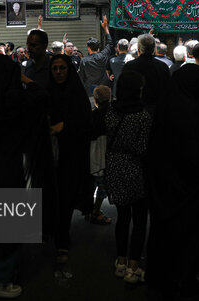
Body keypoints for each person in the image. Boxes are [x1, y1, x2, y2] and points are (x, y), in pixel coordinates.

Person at [146, 42, 199, 299]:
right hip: (193, 197)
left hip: (166, 198)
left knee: (166, 236)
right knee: (193, 235)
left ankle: (163, 278)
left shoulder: (165, 118)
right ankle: (191, 277)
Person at [0, 54, 47, 299]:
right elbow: (41, 96)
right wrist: (25, 78)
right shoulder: (14, 99)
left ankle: (3, 271)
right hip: (9, 168)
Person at [105, 71, 153, 284]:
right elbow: (144, 148)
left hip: (114, 166)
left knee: (122, 217)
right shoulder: (142, 115)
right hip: (135, 168)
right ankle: (133, 267)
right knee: (140, 219)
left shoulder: (110, 112)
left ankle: (120, 261)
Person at [47, 54, 93, 265]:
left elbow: (85, 121)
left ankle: (61, 241)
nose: (58, 72)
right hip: (49, 156)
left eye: (62, 68)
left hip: (71, 155)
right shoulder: (48, 91)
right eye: (55, 68)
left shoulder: (77, 93)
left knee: (65, 199)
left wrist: (64, 126)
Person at [121, 33, 171, 115]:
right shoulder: (163, 67)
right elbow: (167, 91)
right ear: (154, 49)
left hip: (134, 112)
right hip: (157, 112)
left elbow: (123, 91)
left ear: (139, 48)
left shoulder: (129, 66)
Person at [87, 85, 113, 225]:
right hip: (106, 156)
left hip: (93, 155)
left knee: (93, 185)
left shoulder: (92, 115)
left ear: (96, 100)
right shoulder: (113, 115)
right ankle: (95, 212)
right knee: (102, 187)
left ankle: (91, 210)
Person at [78, 16, 114, 96]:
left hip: (90, 91)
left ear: (88, 48)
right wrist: (105, 28)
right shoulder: (103, 56)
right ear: (98, 48)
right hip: (104, 89)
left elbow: (81, 77)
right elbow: (110, 43)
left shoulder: (84, 60)